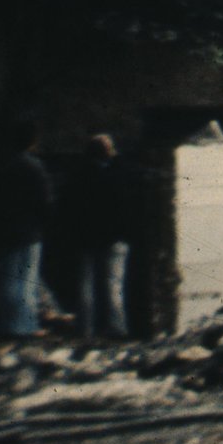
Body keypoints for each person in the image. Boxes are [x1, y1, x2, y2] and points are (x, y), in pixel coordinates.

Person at [0, 119, 55, 338]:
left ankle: (6, 323)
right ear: (32, 141)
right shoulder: (34, 167)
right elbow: (46, 202)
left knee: (7, 280)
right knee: (26, 280)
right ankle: (24, 325)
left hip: (4, 230)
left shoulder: (1, 166)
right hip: (29, 232)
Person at [64, 133, 133, 340]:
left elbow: (72, 209)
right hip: (113, 238)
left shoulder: (78, 177)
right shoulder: (117, 177)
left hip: (87, 238)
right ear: (108, 153)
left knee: (86, 285)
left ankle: (86, 329)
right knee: (113, 285)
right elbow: (124, 209)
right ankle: (117, 327)